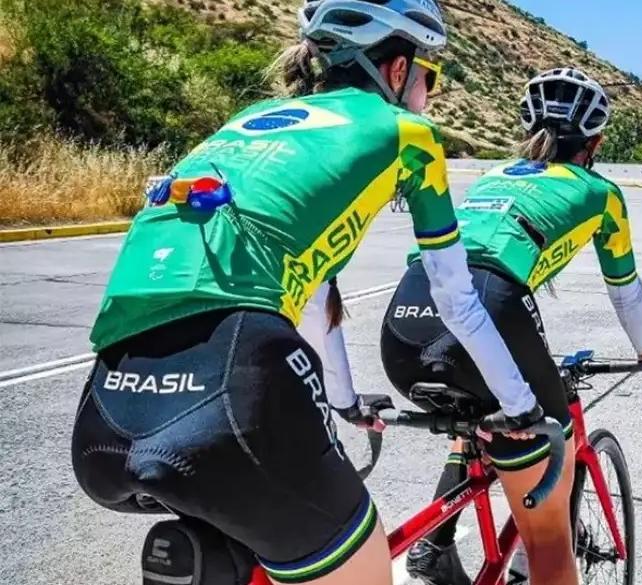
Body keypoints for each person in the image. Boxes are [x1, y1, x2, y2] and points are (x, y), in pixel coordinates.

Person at [70, 1, 534, 584]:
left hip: (105, 421)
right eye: (428, 77)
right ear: (395, 72)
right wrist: (520, 406)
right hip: (232, 390)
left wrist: (342, 402)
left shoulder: (248, 123)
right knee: (364, 567)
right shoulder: (409, 134)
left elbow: (314, 298)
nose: (429, 94)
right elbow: (456, 301)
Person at [380, 68, 642, 585]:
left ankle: (435, 545)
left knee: (479, 407)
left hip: (402, 324)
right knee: (548, 540)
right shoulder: (599, 191)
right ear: (597, 143)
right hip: (491, 310)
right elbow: (624, 288)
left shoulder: (494, 175)